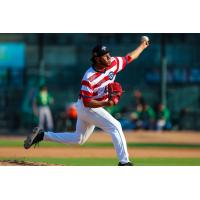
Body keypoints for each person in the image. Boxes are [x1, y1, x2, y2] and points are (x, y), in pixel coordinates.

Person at [24, 36, 149, 166]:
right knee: (116, 126)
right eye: (105, 56)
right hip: (88, 107)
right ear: (97, 59)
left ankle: (42, 135)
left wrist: (142, 46)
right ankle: (124, 162)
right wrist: (107, 103)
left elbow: (129, 57)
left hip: (90, 107)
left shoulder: (113, 63)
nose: (109, 57)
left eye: (108, 54)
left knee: (79, 139)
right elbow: (87, 102)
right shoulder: (89, 77)